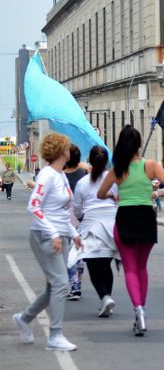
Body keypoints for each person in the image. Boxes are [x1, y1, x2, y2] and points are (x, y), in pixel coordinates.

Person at [97, 126, 164, 336]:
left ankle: (137, 309)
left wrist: (114, 196)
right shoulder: (151, 165)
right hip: (146, 217)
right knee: (142, 267)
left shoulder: (117, 168)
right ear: (138, 144)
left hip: (125, 217)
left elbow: (100, 193)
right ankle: (142, 309)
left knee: (129, 268)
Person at [12, 133, 84, 351]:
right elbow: (34, 206)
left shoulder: (60, 175)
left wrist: (73, 233)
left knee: (54, 287)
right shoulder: (47, 175)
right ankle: (55, 335)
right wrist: (53, 233)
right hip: (45, 236)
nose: (70, 149)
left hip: (60, 236)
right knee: (62, 284)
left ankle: (24, 318)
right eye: (67, 146)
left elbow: (62, 211)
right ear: (62, 151)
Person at [71, 145, 119, 318]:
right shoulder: (114, 178)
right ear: (107, 161)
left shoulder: (83, 183)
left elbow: (77, 209)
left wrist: (82, 217)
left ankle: (105, 297)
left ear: (90, 160)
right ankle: (107, 299)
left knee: (92, 265)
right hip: (112, 225)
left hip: (91, 225)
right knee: (106, 265)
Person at [64, 144, 89, 300]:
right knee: (78, 252)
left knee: (68, 254)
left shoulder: (60, 174)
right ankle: (77, 285)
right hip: (83, 217)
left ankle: (74, 286)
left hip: (65, 218)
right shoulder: (85, 172)